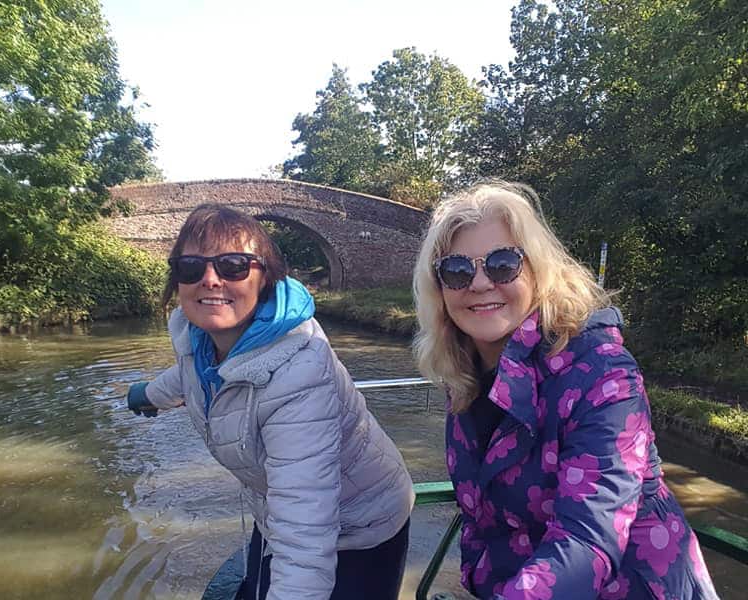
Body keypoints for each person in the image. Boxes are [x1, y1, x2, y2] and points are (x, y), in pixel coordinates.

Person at [413, 180, 719, 599]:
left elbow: (589, 538)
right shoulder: (465, 373)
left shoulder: (602, 371)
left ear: (539, 271)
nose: (480, 283)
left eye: (503, 263)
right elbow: (485, 519)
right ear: (440, 287)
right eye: (457, 270)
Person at [127, 205, 414, 600]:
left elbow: (304, 526)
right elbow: (193, 374)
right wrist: (149, 396)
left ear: (266, 278)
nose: (210, 279)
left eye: (233, 266)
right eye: (191, 267)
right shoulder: (196, 338)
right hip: (276, 506)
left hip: (360, 522)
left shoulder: (300, 372)